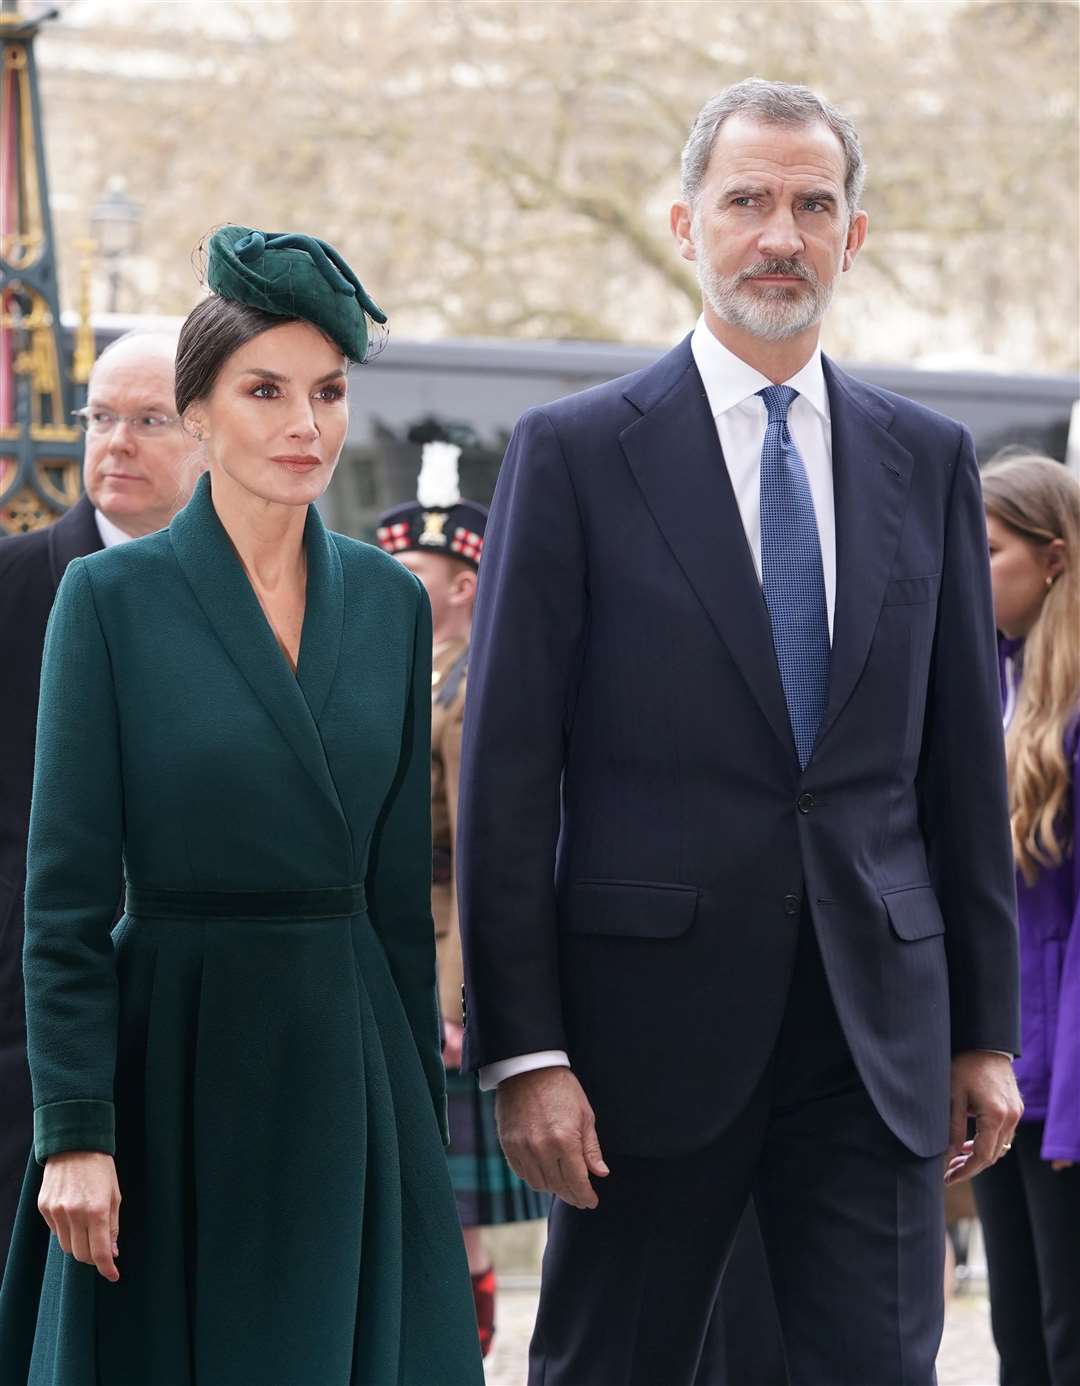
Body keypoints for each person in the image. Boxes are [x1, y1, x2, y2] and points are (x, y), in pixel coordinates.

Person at [457, 78, 1023, 1386]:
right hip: (638, 1045)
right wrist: (526, 1049)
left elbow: (957, 767)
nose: (781, 233)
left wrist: (981, 1029)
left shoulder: (925, 457)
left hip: (873, 1031)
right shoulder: (576, 453)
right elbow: (507, 772)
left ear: (853, 235)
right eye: (749, 201)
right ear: (685, 222)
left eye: (813, 205)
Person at [0, 226, 484, 1386]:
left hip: (346, 1057)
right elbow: (62, 898)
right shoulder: (107, 600)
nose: (304, 423)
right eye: (264, 391)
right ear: (198, 415)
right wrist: (74, 1128)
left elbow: (396, 908)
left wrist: (416, 1117)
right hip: (172, 1051)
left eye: (326, 391)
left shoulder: (386, 605)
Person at [0, 331, 202, 1273]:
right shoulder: (13, 586)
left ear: (208, 431)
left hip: (198, 1008)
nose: (114, 443)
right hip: (27, 1019)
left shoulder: (261, 591)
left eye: (148, 420)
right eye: (100, 418)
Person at [377, 438, 549, 1360]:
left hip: (446, 957)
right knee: (439, 1201)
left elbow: (474, 853)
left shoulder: (470, 683)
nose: (397, 582)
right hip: (419, 940)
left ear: (467, 585)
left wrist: (455, 996)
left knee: (455, 1210)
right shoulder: (430, 671)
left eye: (416, 570)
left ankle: (465, 1353)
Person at [974, 453, 1080, 1386]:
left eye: (991, 549)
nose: (971, 568)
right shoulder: (990, 687)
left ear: (1054, 559)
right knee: (1019, 1337)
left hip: (1066, 1089)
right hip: (1006, 1070)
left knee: (1064, 1333)